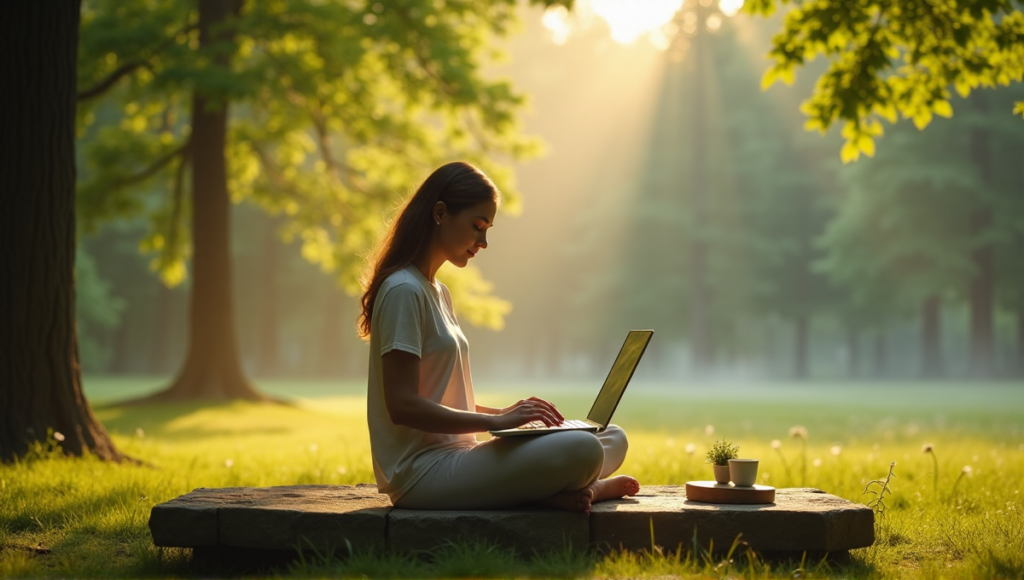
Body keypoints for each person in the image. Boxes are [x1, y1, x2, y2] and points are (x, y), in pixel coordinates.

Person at [358, 161, 640, 512]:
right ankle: (587, 489)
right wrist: (494, 422)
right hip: (422, 473)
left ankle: (563, 489)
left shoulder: (437, 291)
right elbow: (402, 405)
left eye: (488, 229)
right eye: (477, 226)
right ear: (440, 213)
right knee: (582, 449)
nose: (484, 242)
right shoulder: (403, 289)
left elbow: (439, 395)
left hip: (462, 456)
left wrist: (510, 415)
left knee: (610, 437)